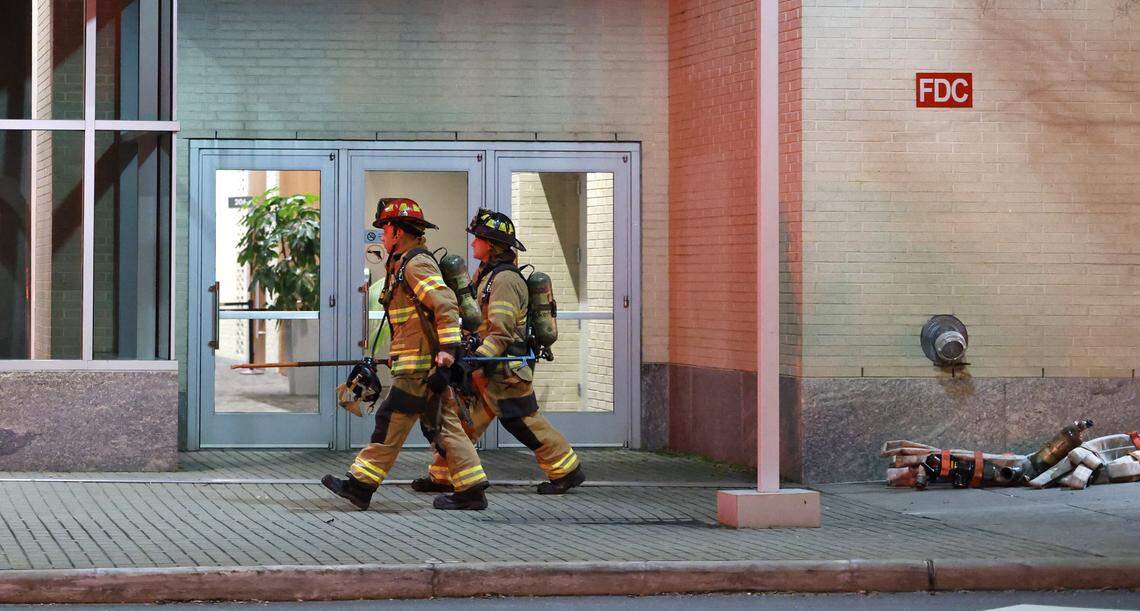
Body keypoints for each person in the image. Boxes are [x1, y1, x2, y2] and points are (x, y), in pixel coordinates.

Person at [322, 198, 490, 511]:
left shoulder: (416, 264)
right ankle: (471, 489)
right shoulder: (402, 265)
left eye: (385, 229)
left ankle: (360, 485)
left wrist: (447, 355)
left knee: (391, 421)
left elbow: (446, 306)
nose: (382, 236)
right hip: (416, 364)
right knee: (446, 426)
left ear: (398, 232)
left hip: (420, 368)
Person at [414, 209, 586, 498]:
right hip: (489, 371)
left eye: (477, 239)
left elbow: (502, 331)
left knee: (524, 422)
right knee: (460, 420)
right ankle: (443, 475)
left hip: (505, 371)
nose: (472, 245)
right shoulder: (489, 275)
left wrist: (478, 357)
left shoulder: (505, 280)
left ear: (491, 244)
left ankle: (567, 470)